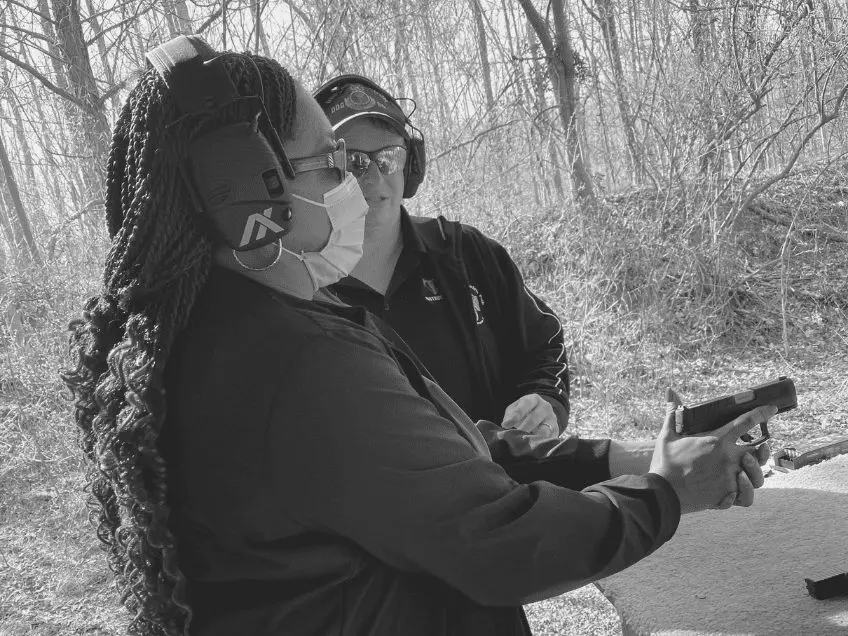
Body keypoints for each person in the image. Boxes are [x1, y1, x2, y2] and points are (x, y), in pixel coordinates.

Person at [63, 35, 773, 636]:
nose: (357, 183)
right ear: (251, 194)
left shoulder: (236, 327)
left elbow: (440, 453)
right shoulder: (295, 363)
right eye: (330, 162)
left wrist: (615, 458)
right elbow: (501, 543)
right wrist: (668, 493)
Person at [315, 75, 568, 440]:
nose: (373, 176)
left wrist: (546, 400)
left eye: (388, 157)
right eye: (353, 161)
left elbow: (544, 343)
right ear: (323, 171)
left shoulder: (467, 254)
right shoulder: (304, 284)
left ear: (411, 166)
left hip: (506, 488)